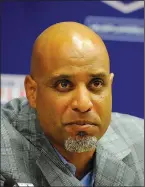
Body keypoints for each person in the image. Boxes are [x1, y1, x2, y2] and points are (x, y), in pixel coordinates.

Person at [1, 22, 144, 187]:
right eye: (64, 84)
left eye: (96, 83)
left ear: (110, 86)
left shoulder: (140, 143)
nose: (83, 104)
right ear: (32, 92)